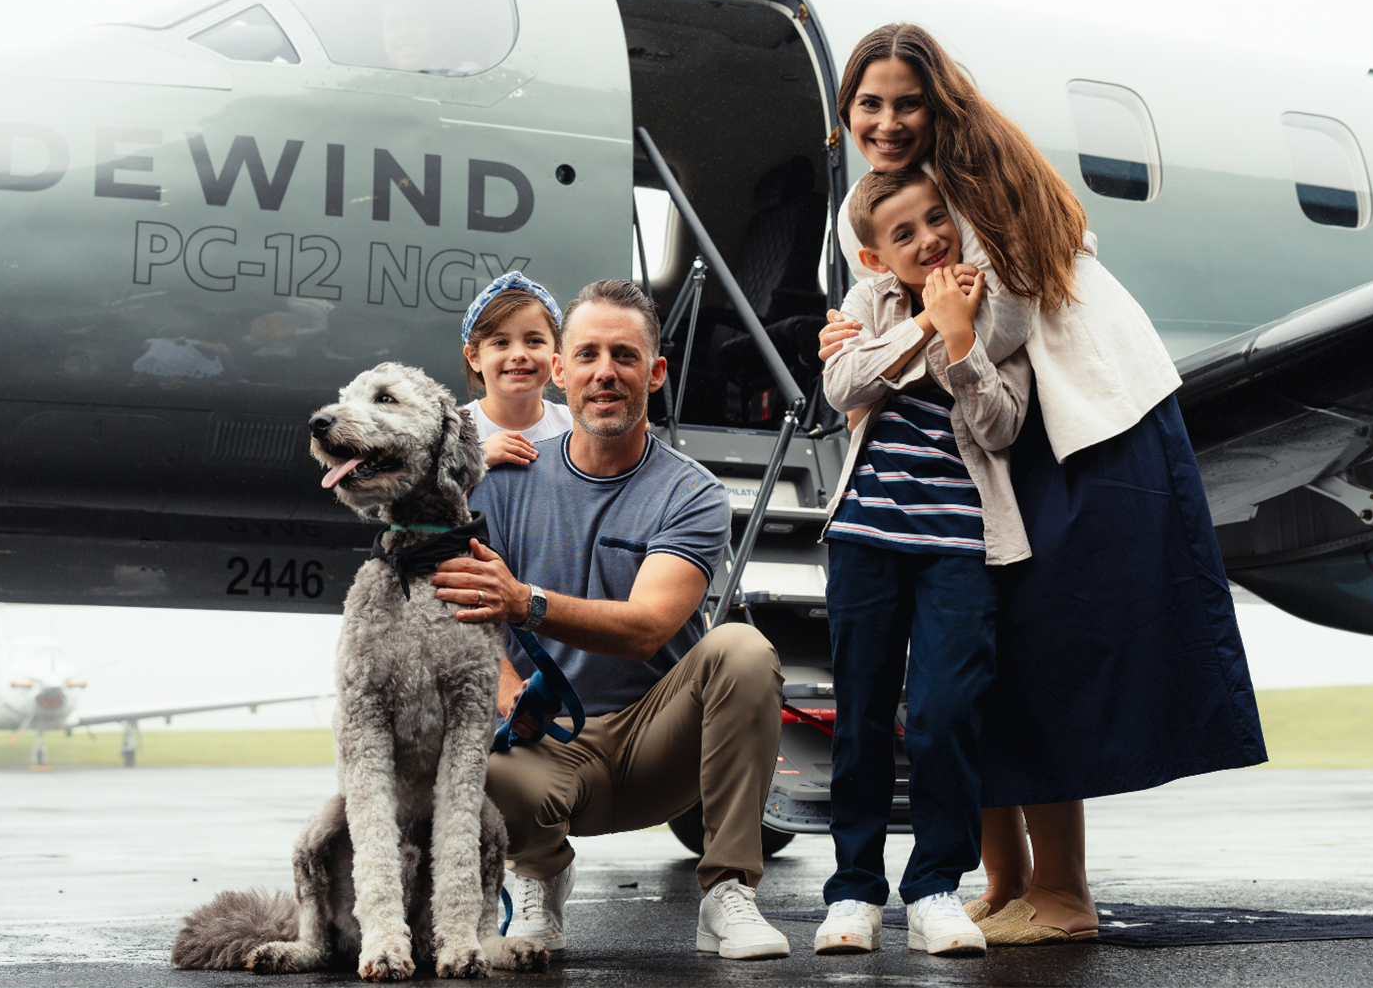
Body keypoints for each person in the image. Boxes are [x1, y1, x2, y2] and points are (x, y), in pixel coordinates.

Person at [818, 24, 1267, 945]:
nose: (889, 120)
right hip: (1000, 426)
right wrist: (868, 344)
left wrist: (892, 346)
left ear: (939, 100)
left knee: (1043, 645)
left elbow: (1006, 320)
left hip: (1083, 414)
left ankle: (1062, 893)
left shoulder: (974, 171)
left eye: (907, 101)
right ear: (845, 112)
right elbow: (895, 321)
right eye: (871, 103)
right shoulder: (879, 199)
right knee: (989, 658)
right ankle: (1006, 876)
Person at [428, 278, 794, 961]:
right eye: (588, 355)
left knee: (741, 648)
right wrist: (508, 688)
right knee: (453, 722)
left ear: (654, 372)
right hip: (543, 747)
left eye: (625, 357)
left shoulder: (691, 492)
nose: (605, 373)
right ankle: (540, 874)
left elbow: (648, 626)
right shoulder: (501, 485)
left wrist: (526, 603)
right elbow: (457, 611)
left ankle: (727, 893)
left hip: (657, 747)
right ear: (560, 371)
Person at [811, 168, 1031, 959]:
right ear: (875, 258)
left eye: (936, 219)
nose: (929, 239)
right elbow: (842, 385)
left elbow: (1002, 428)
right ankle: (854, 892)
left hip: (959, 548)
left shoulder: (991, 301)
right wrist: (927, 327)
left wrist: (964, 335)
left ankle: (936, 887)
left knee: (944, 715)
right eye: (904, 234)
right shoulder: (871, 303)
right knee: (862, 718)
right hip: (866, 537)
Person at [458, 272, 573, 469]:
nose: (519, 354)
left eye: (534, 341)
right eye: (500, 342)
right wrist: (476, 459)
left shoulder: (573, 426)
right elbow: (428, 497)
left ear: (557, 352)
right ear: (474, 357)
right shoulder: (453, 431)